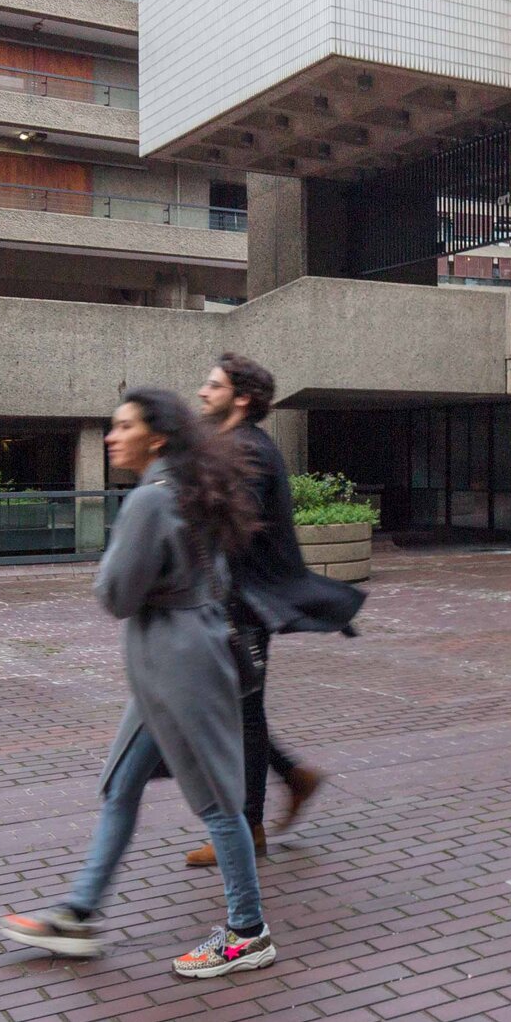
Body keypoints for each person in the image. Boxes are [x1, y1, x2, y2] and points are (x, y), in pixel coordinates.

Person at [0, 387, 277, 980]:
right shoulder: (191, 486)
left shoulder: (150, 500)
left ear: (155, 437)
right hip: (176, 660)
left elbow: (116, 595)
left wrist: (118, 565)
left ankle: (248, 931)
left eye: (123, 426)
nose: (111, 436)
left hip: (177, 666)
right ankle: (79, 911)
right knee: (123, 784)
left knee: (217, 801)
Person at [183, 353, 363, 869]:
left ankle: (248, 828)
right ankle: (291, 781)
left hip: (246, 602)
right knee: (243, 710)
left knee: (240, 713)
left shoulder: (249, 450)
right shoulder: (239, 445)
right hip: (237, 599)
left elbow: (230, 525)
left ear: (241, 398)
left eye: (212, 386)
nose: (201, 392)